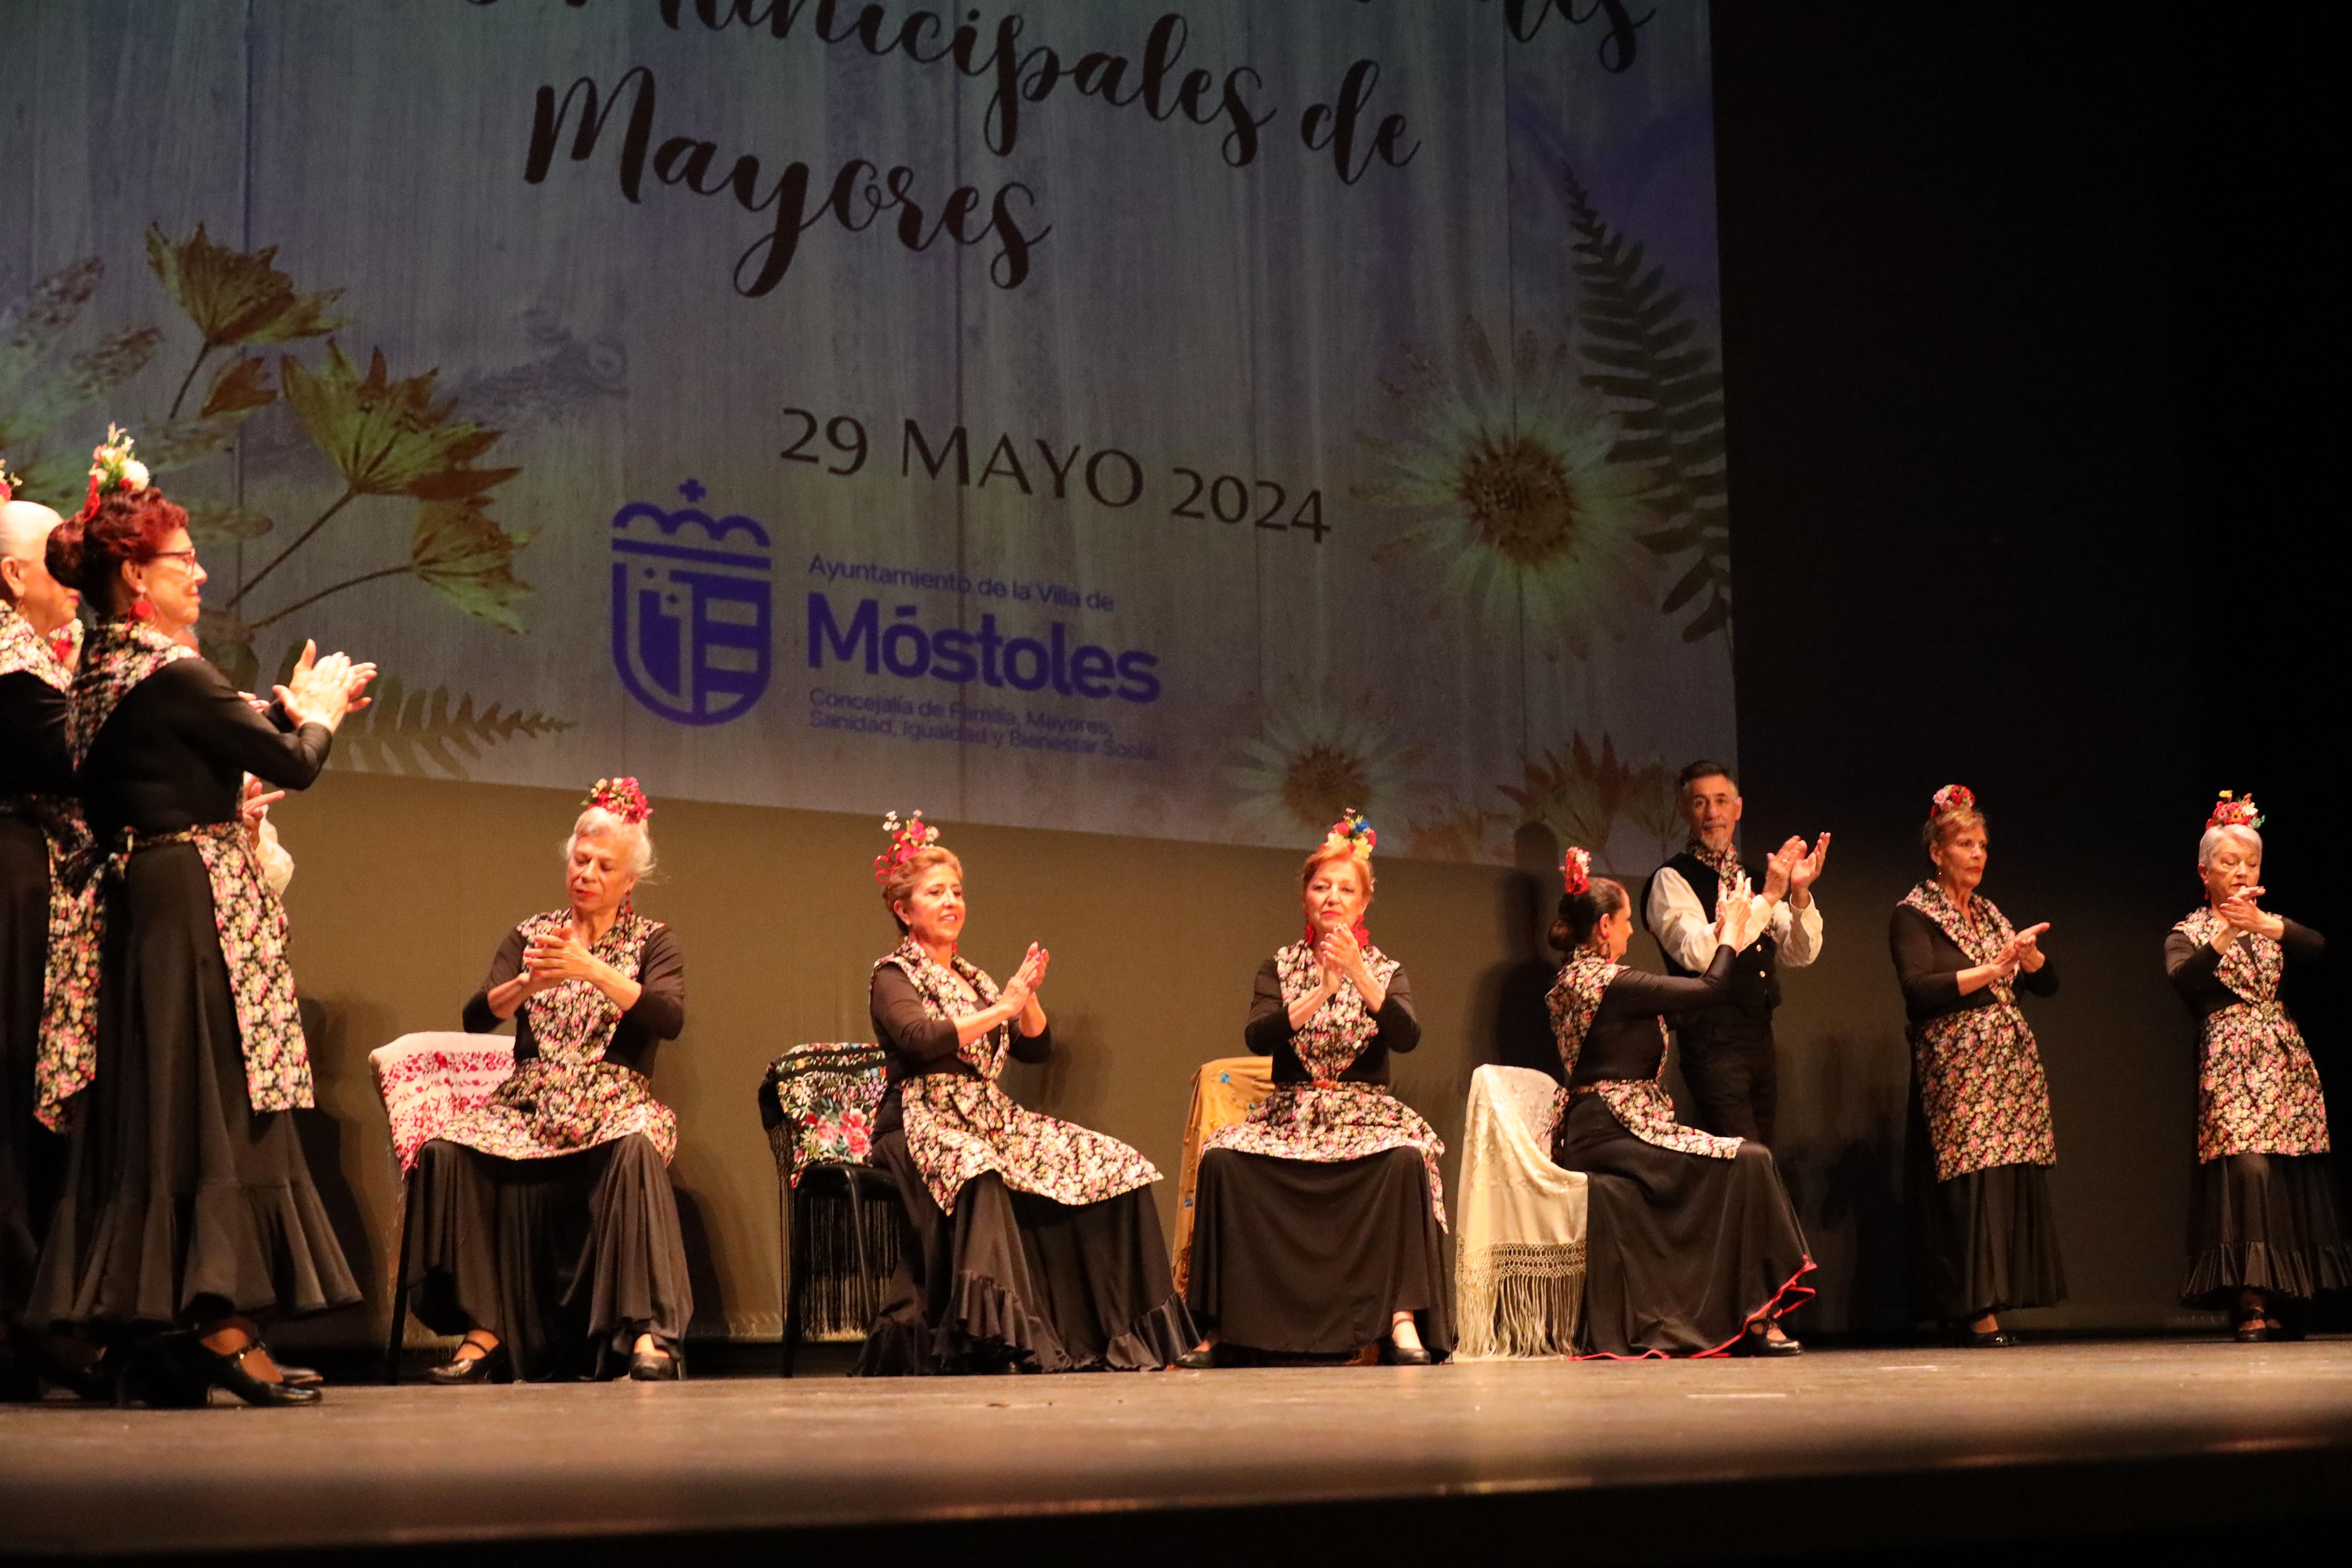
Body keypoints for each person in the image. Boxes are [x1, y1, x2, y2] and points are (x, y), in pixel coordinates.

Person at [26, 429, 373, 1406]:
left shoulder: (101, 672)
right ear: (136, 576)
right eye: (184, 558)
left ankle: (168, 1329)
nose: (201, 572)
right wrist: (319, 711)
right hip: (187, 904)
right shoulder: (170, 671)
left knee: (165, 1107)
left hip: (148, 901)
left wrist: (270, 730)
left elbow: (174, 769)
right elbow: (293, 761)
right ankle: (221, 1324)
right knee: (210, 1106)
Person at [857, 811, 1192, 1374]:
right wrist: (1002, 1010)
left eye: (956, 891)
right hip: (920, 1121)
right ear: (903, 909)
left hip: (990, 1117)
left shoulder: (973, 978)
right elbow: (919, 1039)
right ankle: (997, 1338)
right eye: (934, 893)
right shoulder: (893, 974)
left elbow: (1035, 1049)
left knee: (1115, 1165)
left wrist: (1026, 998)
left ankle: (1118, 1332)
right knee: (977, 1168)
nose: (950, 902)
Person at [406, 777, 692, 1383]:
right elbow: (477, 1016)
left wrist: (592, 969)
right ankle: (485, 1330)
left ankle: (649, 1334)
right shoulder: (531, 934)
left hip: (612, 1100)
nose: (586, 873)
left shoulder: (653, 941)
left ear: (629, 881)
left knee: (638, 1146)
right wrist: (526, 985)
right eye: (580, 860)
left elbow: (668, 1018)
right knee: (444, 1150)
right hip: (531, 1104)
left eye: (603, 866)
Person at [1185, 812, 1451, 1366]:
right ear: (1305, 897)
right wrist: (1320, 991)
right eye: (1321, 887)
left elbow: (1406, 1036)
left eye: (1345, 889)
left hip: (1363, 1116)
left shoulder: (1386, 970)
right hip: (1291, 1115)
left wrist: (1357, 976)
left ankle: (1401, 1320)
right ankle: (1219, 1326)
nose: (1332, 898)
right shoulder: (1279, 966)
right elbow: (1258, 1035)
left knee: (1407, 1158)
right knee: (1221, 1158)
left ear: (1364, 903)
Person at [1549, 846, 1815, 1356]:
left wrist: (1731, 928)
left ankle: (1743, 1312)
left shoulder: (1577, 979)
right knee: (1750, 1158)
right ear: (1603, 927)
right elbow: (1711, 988)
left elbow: (1680, 1007)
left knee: (1743, 1160)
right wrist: (1731, 932)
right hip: (1615, 1131)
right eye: (1626, 922)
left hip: (1607, 1128)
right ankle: (1758, 1313)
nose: (1632, 932)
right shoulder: (1608, 982)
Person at [2167, 792, 2346, 1341]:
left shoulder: (2270, 925)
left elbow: (2317, 949)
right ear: (2205, 872)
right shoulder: (2187, 932)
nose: (2241, 872)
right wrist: (2227, 931)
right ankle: (2248, 1298)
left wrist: (2264, 925)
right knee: (2247, 1170)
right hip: (2228, 1063)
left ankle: (2285, 1299)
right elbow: (2185, 982)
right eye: (2229, 862)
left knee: (2286, 1170)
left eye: (2250, 863)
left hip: (2282, 1060)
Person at [1889, 784, 2062, 1347]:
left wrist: (2029, 960)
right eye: (1965, 844)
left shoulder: (1988, 913)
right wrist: (1993, 968)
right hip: (1956, 1068)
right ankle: (1972, 1308)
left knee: (2002, 1179)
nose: (1977, 854)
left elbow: (2046, 985)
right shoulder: (1913, 915)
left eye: (1982, 845)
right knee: (1970, 1182)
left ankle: (1994, 1296)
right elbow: (1919, 990)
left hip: (2006, 1068)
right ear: (1936, 853)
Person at [0, 481, 87, 1397]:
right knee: (12, 1084)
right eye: (59, 565)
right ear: (12, 574)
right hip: (12, 882)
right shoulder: (9, 666)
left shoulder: (40, 659)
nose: (75, 579)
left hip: (36, 875)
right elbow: (76, 758)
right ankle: (28, 1320)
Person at [1643, 760, 1826, 1145]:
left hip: (1760, 1038)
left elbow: (1800, 952)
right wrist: (1770, 897)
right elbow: (1698, 954)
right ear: (1684, 810)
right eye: (1700, 803)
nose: (1713, 813)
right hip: (1712, 1042)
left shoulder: (1756, 878)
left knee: (1762, 1156)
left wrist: (1799, 894)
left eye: (1721, 801)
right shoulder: (1672, 879)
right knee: (1742, 1157)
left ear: (1738, 809)